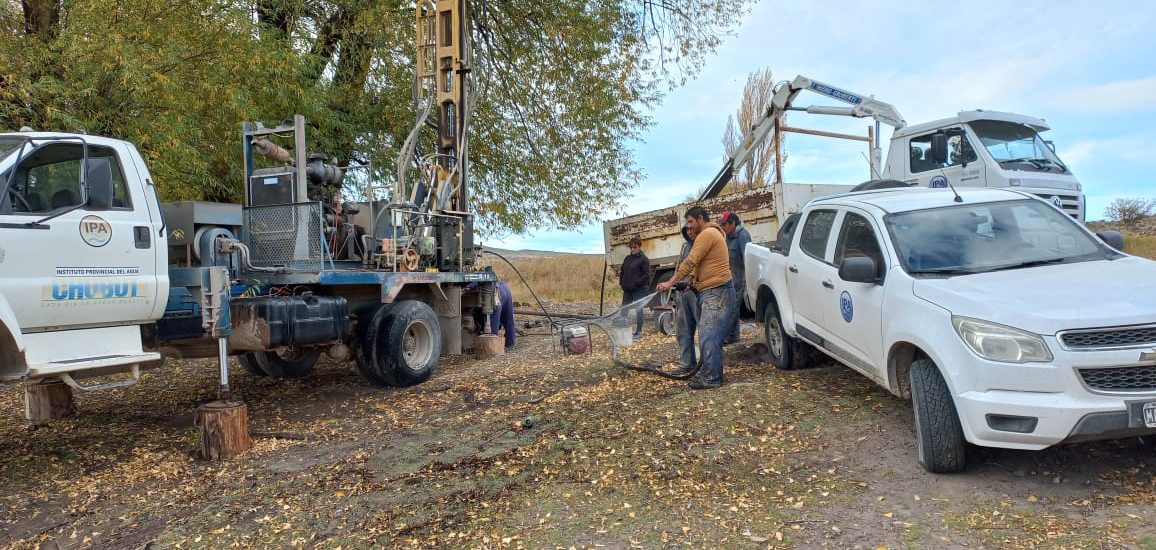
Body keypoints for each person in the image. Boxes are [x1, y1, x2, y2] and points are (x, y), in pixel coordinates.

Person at [657, 206, 736, 389]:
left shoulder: (707, 234)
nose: (689, 226)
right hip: (713, 291)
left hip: (717, 292)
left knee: (709, 335)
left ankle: (712, 378)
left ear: (701, 218)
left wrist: (671, 281)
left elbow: (691, 260)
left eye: (691, 221)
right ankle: (708, 372)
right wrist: (691, 281)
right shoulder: (711, 234)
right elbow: (700, 265)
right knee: (708, 335)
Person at [720, 211, 752, 344]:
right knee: (733, 307)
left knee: (731, 308)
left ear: (733, 223)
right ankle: (734, 337)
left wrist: (747, 278)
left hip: (740, 278)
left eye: (724, 224)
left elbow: (747, 258)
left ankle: (727, 337)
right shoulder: (729, 236)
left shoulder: (742, 236)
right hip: (731, 277)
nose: (723, 227)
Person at [673, 224, 700, 375]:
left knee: (704, 330)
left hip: (697, 292)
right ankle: (687, 363)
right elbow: (680, 267)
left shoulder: (702, 244)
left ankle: (706, 364)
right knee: (683, 330)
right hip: (682, 292)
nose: (689, 233)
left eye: (691, 229)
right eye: (687, 231)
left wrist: (691, 282)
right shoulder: (685, 247)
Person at [618, 236, 651, 340]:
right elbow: (622, 271)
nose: (632, 249)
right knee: (624, 309)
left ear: (639, 247)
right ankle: (622, 331)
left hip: (639, 289)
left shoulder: (644, 260)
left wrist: (636, 283)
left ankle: (639, 332)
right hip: (627, 289)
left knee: (639, 310)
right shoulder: (627, 258)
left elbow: (647, 275)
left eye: (635, 247)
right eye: (631, 247)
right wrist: (622, 283)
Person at [473, 280, 517, 348]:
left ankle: (491, 348)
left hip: (495, 294)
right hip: (499, 290)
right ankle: (510, 342)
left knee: (493, 323)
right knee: (507, 320)